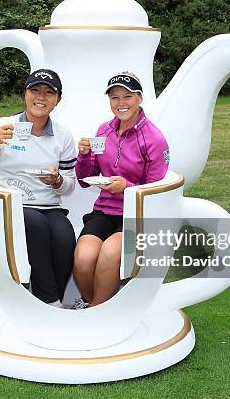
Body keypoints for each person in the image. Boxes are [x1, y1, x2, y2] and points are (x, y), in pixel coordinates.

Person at [0, 69, 78, 308]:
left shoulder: (63, 136)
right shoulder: (4, 127)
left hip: (49, 206)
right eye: (35, 90)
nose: (41, 97)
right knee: (35, 226)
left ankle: (53, 296)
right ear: (25, 94)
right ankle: (50, 301)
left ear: (58, 100)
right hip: (12, 205)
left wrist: (57, 181)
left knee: (64, 236)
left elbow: (69, 186)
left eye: (49, 92)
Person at [72, 72, 170, 308]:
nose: (121, 103)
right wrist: (84, 155)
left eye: (127, 96)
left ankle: (95, 313)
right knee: (83, 258)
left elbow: (155, 192)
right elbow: (85, 179)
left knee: (108, 254)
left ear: (140, 98)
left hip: (136, 215)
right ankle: (94, 304)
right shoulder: (103, 130)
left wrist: (127, 187)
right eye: (115, 97)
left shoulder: (154, 139)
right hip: (104, 211)